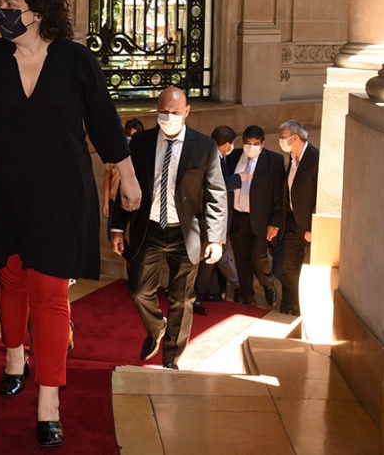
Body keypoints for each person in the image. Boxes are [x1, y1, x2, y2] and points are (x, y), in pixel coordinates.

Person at [0, 0, 140, 448]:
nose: (4, 14)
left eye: (12, 6)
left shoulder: (76, 60)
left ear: (38, 10)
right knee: (11, 277)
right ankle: (15, 356)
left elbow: (104, 122)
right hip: (3, 189)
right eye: (0, 6)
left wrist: (129, 176)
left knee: (50, 293)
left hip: (60, 193)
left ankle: (48, 399)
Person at [110, 86, 227, 370]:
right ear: (156, 111)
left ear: (187, 111)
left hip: (186, 233)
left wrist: (216, 239)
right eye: (163, 111)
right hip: (149, 229)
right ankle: (156, 327)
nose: (168, 117)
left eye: (175, 112)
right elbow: (126, 185)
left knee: (181, 299)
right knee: (139, 291)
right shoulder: (141, 142)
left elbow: (216, 193)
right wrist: (117, 228)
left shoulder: (204, 146)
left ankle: (171, 361)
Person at [225, 125, 284, 307]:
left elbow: (279, 196)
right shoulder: (233, 157)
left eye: (255, 143)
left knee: (258, 257)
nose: (251, 147)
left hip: (261, 220)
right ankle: (248, 299)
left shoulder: (274, 161)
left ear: (263, 143)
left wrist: (275, 223)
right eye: (247, 143)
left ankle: (268, 285)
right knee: (241, 260)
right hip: (238, 218)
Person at [193, 125, 243, 312]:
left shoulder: (213, 154)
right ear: (227, 144)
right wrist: (239, 179)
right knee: (212, 259)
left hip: (213, 219)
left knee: (213, 259)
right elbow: (219, 185)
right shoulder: (213, 158)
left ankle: (208, 292)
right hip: (213, 220)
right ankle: (198, 295)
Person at [276, 120, 319, 316]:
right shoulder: (292, 158)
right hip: (293, 221)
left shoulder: (315, 158)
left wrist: (313, 227)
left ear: (294, 138)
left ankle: (303, 305)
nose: (281, 141)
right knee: (286, 266)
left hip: (309, 226)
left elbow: (322, 195)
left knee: (310, 268)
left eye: (283, 137)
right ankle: (301, 299)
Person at [104, 119, 144, 239]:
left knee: (135, 235)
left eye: (134, 136)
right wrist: (106, 201)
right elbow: (108, 175)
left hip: (136, 198)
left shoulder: (143, 153)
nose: (130, 140)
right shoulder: (117, 152)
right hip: (115, 198)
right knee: (113, 233)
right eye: (128, 136)